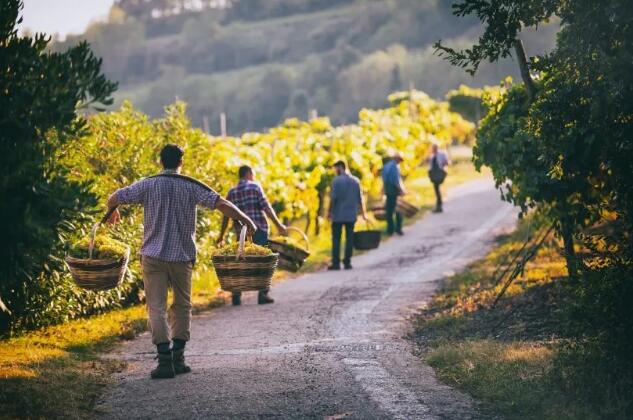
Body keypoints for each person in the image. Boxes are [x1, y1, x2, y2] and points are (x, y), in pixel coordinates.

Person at [106, 144, 257, 380]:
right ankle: (179, 358)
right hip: (182, 257)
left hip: (153, 257)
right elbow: (221, 204)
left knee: (156, 307)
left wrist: (112, 210)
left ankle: (165, 360)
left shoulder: (148, 184)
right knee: (182, 305)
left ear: (160, 162)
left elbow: (115, 197)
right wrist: (246, 219)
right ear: (181, 162)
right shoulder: (190, 186)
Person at [217, 165, 287, 306]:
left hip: (241, 233)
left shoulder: (231, 192)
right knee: (263, 261)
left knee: (240, 263)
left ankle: (236, 295)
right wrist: (279, 225)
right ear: (249, 173)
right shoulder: (255, 187)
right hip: (259, 230)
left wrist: (221, 235)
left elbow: (226, 216)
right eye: (252, 174)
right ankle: (262, 294)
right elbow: (267, 208)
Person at [328, 160, 367, 270]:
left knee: (336, 239)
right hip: (351, 215)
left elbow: (333, 198)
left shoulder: (336, 181)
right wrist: (364, 214)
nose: (335, 171)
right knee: (349, 238)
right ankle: (347, 262)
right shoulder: (356, 181)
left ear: (340, 167)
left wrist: (329, 213)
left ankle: (336, 263)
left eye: (335, 168)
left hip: (338, 215)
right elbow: (360, 200)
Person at [381, 153, 406, 235]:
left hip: (388, 191)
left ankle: (390, 230)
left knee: (389, 211)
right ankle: (398, 228)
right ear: (397, 159)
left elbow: (384, 179)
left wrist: (383, 189)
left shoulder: (386, 166)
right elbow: (396, 181)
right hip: (394, 191)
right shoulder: (394, 167)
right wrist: (401, 190)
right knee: (398, 210)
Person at [427, 143, 450, 213]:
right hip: (433, 174)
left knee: (437, 189)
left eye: (435, 148)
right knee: (436, 189)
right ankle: (439, 205)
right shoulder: (432, 156)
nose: (434, 149)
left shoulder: (442, 154)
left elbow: (447, 162)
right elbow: (430, 165)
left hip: (440, 173)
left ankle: (439, 205)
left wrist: (443, 165)